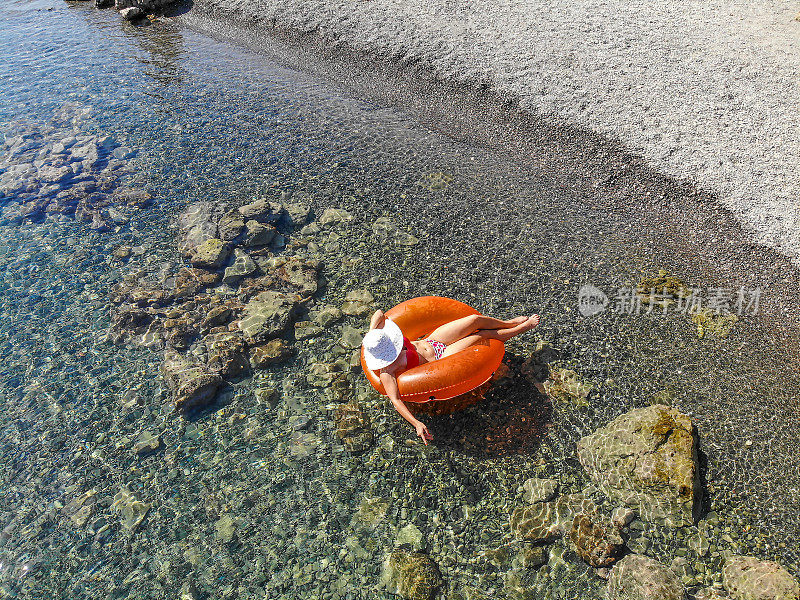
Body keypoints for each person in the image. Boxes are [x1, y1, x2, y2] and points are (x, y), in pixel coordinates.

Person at [361, 309, 540, 444]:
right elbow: (395, 400)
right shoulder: (387, 371)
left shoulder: (380, 338)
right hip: (442, 356)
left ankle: (509, 323)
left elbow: (378, 313)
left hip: (433, 340)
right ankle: (522, 328)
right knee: (481, 335)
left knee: (474, 320)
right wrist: (416, 423)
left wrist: (372, 332)